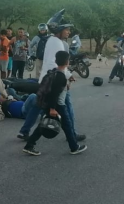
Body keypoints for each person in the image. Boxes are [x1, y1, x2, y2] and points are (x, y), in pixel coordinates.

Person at [18, 10, 85, 141]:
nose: (68, 32)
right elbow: (56, 64)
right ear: (59, 29)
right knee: (66, 106)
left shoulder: (52, 40)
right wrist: (65, 78)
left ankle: (24, 131)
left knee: (38, 104)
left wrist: (68, 74)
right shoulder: (58, 43)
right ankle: (72, 134)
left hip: (46, 79)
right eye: (66, 29)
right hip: (54, 80)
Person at [22, 51, 87, 156]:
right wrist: (52, 108)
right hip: (57, 105)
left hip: (51, 104)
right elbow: (54, 94)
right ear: (67, 62)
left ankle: (29, 145)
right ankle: (74, 147)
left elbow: (57, 89)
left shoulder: (54, 72)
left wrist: (67, 85)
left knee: (44, 125)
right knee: (67, 125)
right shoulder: (60, 76)